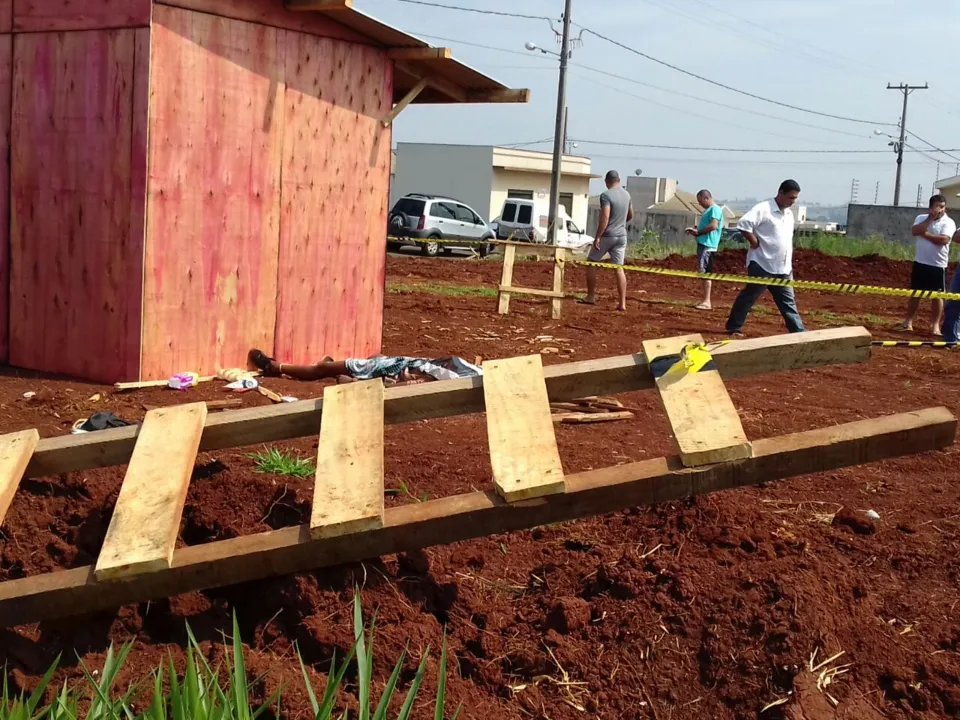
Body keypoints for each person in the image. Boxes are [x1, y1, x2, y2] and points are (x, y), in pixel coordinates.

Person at [725, 179, 805, 336]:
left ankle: (798, 332)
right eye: (791, 197)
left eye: (795, 198)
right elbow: (743, 224)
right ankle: (734, 327)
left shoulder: (789, 213)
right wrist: (754, 241)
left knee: (788, 301)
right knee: (749, 297)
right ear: (780, 193)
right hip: (762, 263)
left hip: (783, 267)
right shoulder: (763, 208)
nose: (793, 202)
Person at [248, 350, 482, 385]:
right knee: (375, 356)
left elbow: (417, 384)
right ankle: (341, 374)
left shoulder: (461, 380)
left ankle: (274, 367)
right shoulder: (475, 373)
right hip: (397, 362)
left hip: (391, 369)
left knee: (320, 369)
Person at [897, 194, 956, 336]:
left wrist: (924, 234)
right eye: (937, 206)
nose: (940, 210)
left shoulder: (948, 222)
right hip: (920, 262)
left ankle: (935, 326)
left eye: (942, 207)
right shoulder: (921, 218)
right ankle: (908, 322)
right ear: (930, 207)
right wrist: (929, 219)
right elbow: (914, 231)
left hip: (938, 265)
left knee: (937, 296)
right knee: (915, 294)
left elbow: (943, 240)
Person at [582, 170, 634, 311]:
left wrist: (598, 236)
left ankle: (591, 296)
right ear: (618, 180)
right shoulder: (627, 194)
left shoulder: (606, 195)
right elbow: (630, 215)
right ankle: (622, 303)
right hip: (621, 236)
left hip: (608, 235)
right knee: (619, 268)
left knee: (592, 262)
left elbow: (605, 217)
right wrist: (621, 222)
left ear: (607, 181)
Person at [685, 189, 725, 310]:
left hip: (708, 245)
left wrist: (699, 232)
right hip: (704, 244)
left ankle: (707, 301)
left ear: (705, 198)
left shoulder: (715, 209)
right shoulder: (709, 210)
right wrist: (696, 231)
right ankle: (705, 300)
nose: (700, 204)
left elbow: (713, 225)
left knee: (706, 272)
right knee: (704, 272)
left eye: (700, 201)